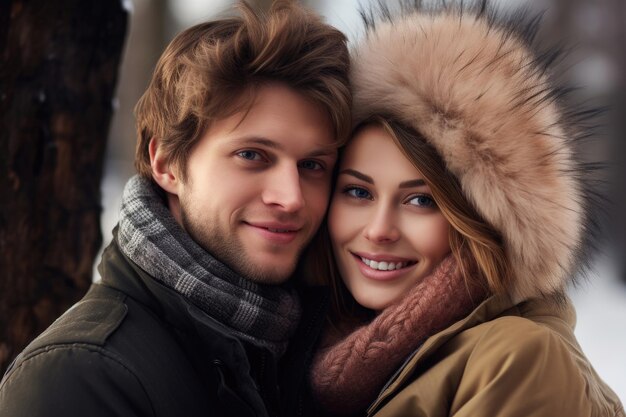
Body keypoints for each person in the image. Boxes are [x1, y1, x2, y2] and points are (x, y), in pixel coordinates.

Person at [0, 1, 350, 416]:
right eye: (253, 155)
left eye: (312, 165)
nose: (291, 197)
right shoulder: (80, 377)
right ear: (166, 163)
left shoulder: (299, 356)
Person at [307, 3, 625, 417]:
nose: (379, 229)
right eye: (358, 193)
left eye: (421, 200)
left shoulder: (517, 361)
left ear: (478, 220)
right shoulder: (317, 347)